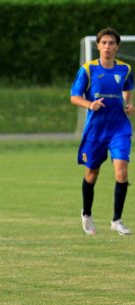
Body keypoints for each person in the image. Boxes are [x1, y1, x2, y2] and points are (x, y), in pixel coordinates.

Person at [70, 27, 133, 236]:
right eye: (104, 43)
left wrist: (128, 104)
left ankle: (116, 220)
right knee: (92, 174)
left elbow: (127, 87)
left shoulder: (125, 69)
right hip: (96, 130)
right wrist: (89, 105)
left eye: (111, 43)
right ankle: (86, 213)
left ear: (117, 47)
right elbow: (74, 96)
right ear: (98, 46)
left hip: (119, 128)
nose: (107, 46)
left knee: (122, 172)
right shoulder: (88, 70)